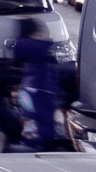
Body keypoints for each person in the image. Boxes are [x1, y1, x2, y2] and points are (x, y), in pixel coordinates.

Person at [12, 16, 63, 150]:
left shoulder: (22, 44)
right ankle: (42, 143)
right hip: (44, 87)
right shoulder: (42, 45)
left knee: (34, 118)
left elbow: (17, 62)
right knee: (45, 119)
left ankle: (33, 142)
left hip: (32, 87)